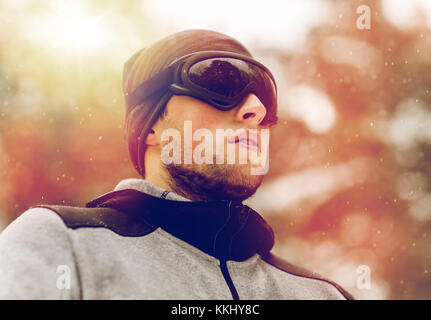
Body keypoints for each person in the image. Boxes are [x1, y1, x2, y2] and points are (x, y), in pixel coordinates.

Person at [0, 29, 353, 300]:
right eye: (221, 80)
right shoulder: (62, 244)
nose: (255, 109)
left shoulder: (320, 294)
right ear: (150, 125)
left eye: (266, 97)